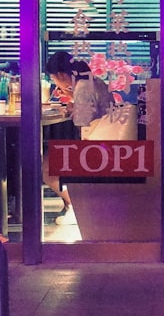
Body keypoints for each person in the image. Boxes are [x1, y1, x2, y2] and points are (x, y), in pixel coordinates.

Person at [42, 50, 114, 225]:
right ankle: (74, 205)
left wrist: (71, 110)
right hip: (106, 142)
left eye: (54, 79)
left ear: (60, 75)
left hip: (96, 147)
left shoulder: (82, 87)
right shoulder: (92, 81)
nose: (55, 84)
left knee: (46, 166)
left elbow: (83, 123)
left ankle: (79, 207)